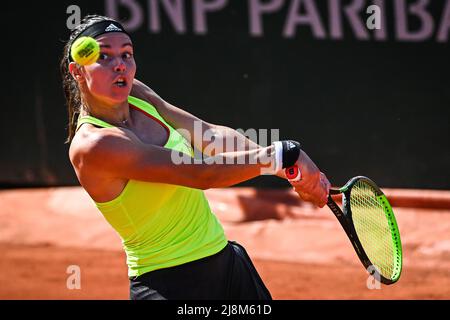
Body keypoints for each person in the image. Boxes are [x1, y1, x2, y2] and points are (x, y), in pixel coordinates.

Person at [61, 15, 331, 300]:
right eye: (103, 56)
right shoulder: (94, 145)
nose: (120, 65)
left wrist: (285, 171)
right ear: (78, 71)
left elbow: (211, 136)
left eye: (127, 54)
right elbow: (200, 174)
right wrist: (282, 154)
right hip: (169, 286)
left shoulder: (137, 93)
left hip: (227, 268)